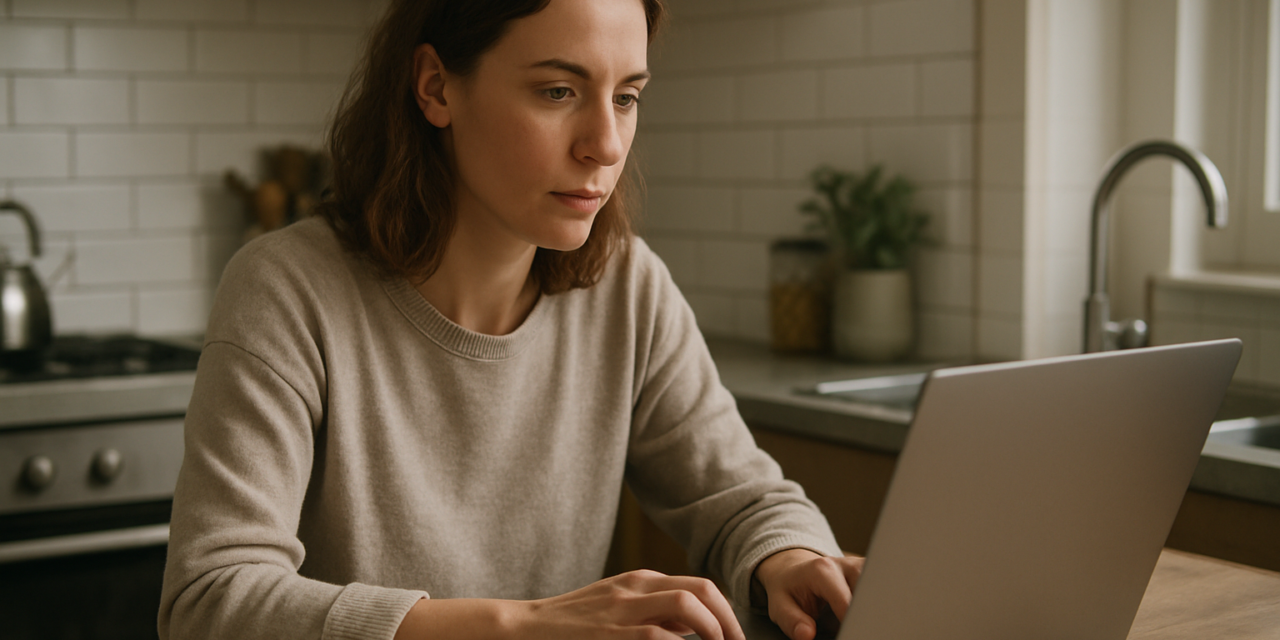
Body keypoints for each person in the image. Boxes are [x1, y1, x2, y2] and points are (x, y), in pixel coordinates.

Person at [158, 0, 864, 638]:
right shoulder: (286, 290)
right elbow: (211, 601)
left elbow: (740, 498)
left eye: (626, 97)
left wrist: (791, 554)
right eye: (558, 91)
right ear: (435, 87)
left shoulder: (627, 287)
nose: (606, 144)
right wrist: (519, 627)